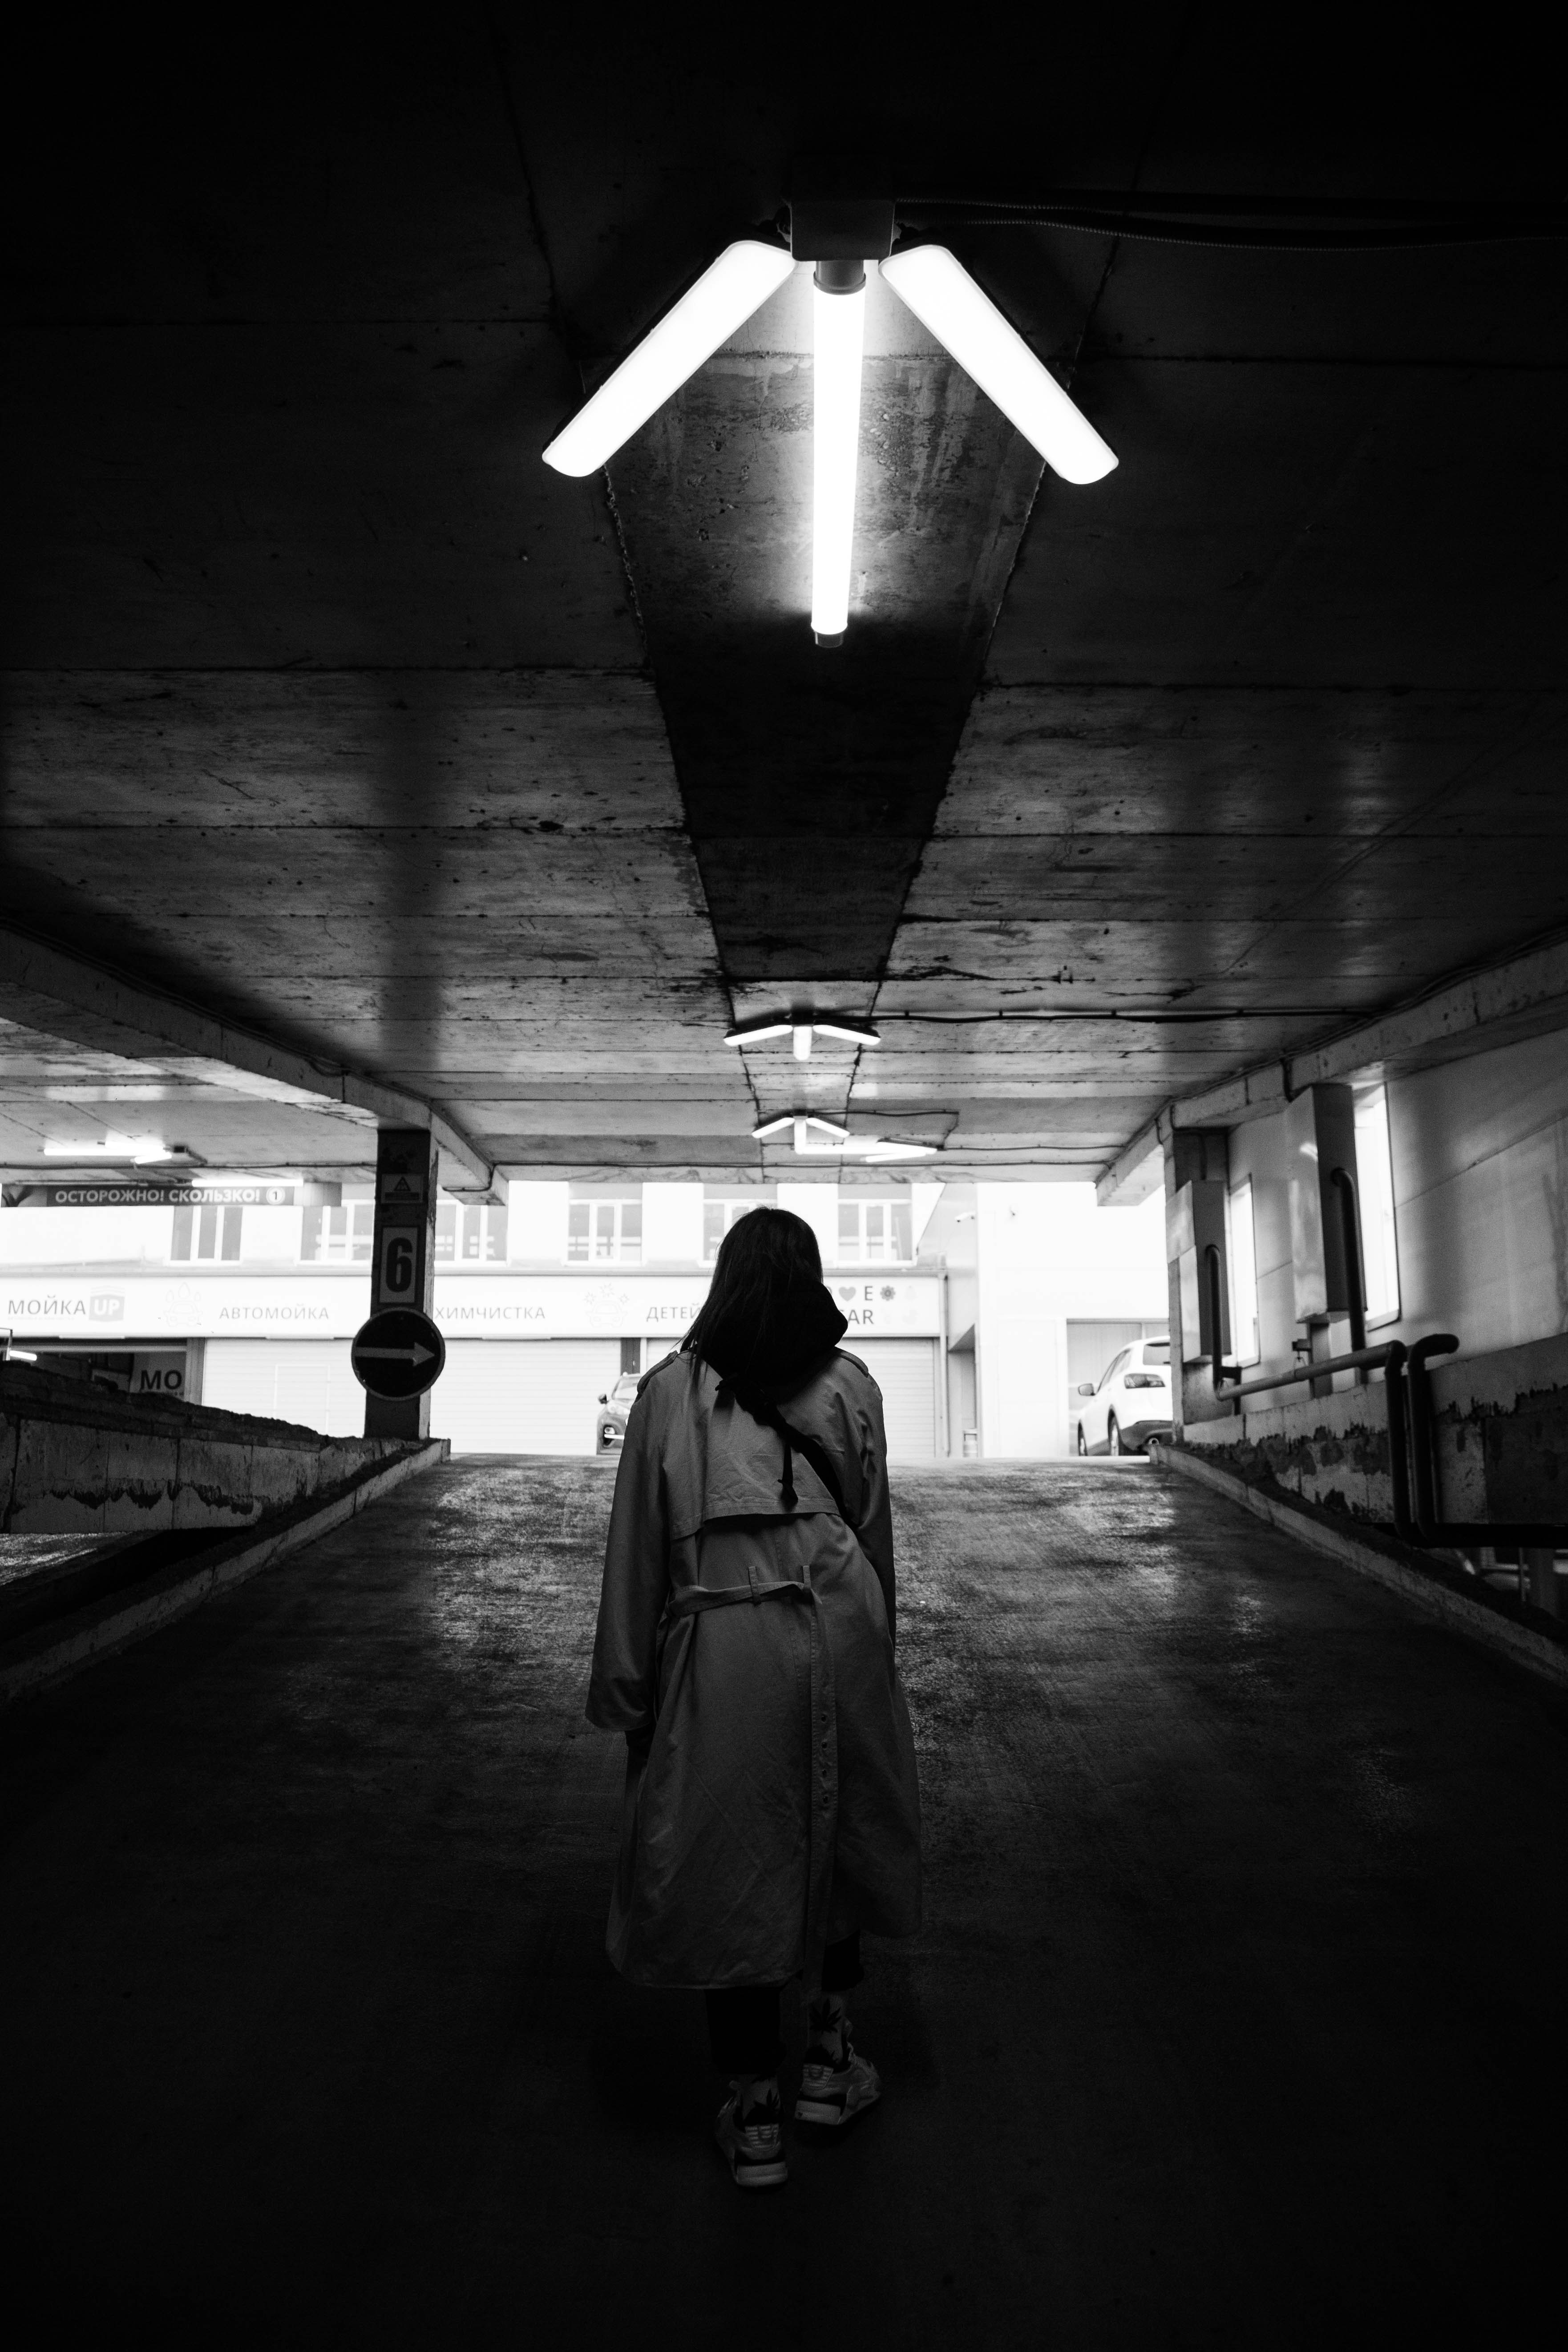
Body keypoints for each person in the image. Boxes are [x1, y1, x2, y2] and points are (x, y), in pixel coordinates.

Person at [586, 1206, 922, 2189]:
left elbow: (634, 1562)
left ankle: (756, 2108)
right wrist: (877, 1658)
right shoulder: (850, 1386)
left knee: (731, 1852)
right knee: (838, 1828)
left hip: (723, 1631)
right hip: (841, 1624)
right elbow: (872, 1536)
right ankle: (828, 2054)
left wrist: (630, 1699)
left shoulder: (668, 1393)